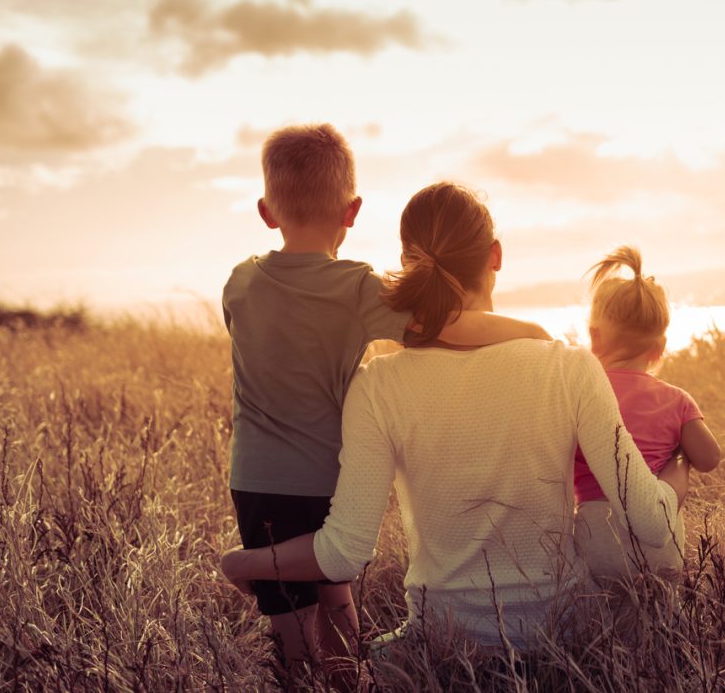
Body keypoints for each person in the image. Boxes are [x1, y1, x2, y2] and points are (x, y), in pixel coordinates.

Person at [221, 182, 687, 651]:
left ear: (407, 267)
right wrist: (676, 472)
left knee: (374, 662)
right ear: (496, 256)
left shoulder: (378, 384)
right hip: (565, 641)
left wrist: (243, 563)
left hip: (439, 646)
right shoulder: (569, 366)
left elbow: (344, 555)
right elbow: (651, 524)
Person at [223, 128, 549, 668]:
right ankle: (351, 680)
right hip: (327, 473)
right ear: (352, 212)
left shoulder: (239, 281)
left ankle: (296, 667)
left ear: (266, 211)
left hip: (256, 478)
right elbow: (440, 330)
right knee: (336, 593)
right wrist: (529, 331)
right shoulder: (356, 287)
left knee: (292, 623)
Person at [573, 247, 722, 579]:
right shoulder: (676, 400)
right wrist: (680, 452)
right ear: (661, 347)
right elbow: (710, 459)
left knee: (598, 619)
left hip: (594, 532)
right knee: (661, 617)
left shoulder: (579, 397)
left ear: (594, 338)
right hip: (659, 530)